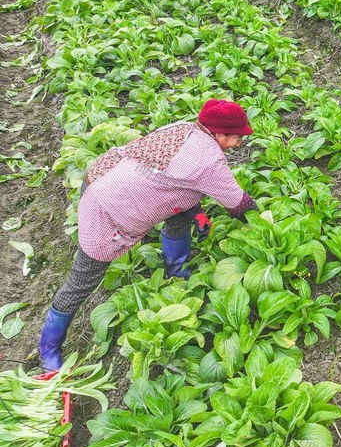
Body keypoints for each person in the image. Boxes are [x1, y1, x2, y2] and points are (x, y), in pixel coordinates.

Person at [37, 99, 257, 370]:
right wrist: (263, 225)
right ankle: (49, 349)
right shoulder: (209, 161)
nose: (238, 143)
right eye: (236, 137)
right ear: (219, 134)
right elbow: (241, 205)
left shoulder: (186, 129)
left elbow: (179, 180)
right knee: (84, 277)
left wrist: (198, 213)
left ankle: (176, 271)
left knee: (180, 215)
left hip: (104, 174)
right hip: (107, 207)